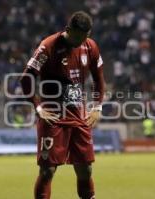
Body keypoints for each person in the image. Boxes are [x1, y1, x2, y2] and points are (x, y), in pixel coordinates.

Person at [20, 11, 105, 199]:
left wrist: (97, 106)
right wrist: (38, 107)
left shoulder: (90, 47)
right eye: (78, 37)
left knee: (86, 169)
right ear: (68, 30)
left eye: (86, 36)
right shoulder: (48, 46)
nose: (82, 41)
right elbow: (26, 78)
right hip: (53, 117)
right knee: (47, 171)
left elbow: (99, 80)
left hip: (79, 116)